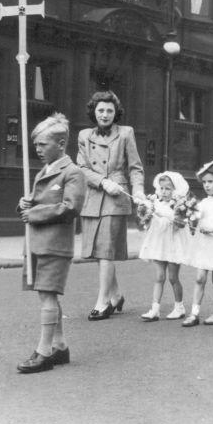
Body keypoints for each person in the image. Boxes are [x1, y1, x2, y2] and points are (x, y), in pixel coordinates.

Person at [16, 113, 86, 373]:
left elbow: (70, 207)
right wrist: (25, 204)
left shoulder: (73, 173)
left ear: (61, 143)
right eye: (36, 145)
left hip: (56, 244)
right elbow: (35, 201)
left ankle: (43, 352)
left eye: (42, 145)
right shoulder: (43, 172)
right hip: (36, 242)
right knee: (47, 295)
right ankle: (59, 345)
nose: (38, 150)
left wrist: (33, 213)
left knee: (47, 295)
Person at [78, 91, 144, 321]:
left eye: (109, 111)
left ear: (116, 114)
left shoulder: (126, 133)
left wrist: (138, 191)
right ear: (94, 112)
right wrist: (102, 181)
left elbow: (135, 167)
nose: (105, 115)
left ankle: (102, 301)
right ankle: (115, 295)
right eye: (101, 110)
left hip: (116, 197)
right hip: (94, 196)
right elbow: (82, 168)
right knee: (98, 251)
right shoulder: (84, 136)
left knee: (106, 249)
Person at [183, 161, 213, 327]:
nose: (207, 185)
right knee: (199, 278)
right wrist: (189, 217)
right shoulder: (203, 203)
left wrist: (212, 228)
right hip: (204, 245)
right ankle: (194, 313)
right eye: (204, 182)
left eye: (211, 182)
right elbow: (195, 217)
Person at [138, 172, 191, 321]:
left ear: (176, 190)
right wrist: (146, 212)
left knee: (173, 277)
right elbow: (147, 223)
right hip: (159, 243)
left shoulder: (179, 205)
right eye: (161, 188)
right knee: (159, 276)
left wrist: (162, 212)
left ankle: (179, 307)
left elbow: (179, 222)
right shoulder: (155, 203)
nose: (164, 192)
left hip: (173, 244)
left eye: (168, 189)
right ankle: (155, 309)